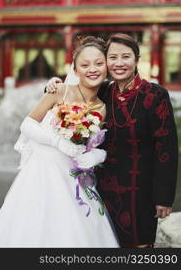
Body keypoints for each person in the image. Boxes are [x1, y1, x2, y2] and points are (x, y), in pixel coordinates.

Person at [0, 36, 119, 248]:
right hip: (42, 169)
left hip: (72, 174)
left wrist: (93, 154)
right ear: (75, 68)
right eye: (85, 64)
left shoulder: (101, 106)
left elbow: (92, 143)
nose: (93, 69)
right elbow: (27, 124)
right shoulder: (59, 91)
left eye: (99, 63)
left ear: (107, 67)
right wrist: (57, 141)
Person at [45, 33, 179, 248]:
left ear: (136, 59)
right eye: (112, 57)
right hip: (104, 187)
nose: (118, 63)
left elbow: (167, 149)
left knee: (140, 245)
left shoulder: (155, 95)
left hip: (140, 190)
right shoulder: (104, 91)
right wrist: (52, 84)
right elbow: (72, 93)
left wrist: (164, 197)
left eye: (125, 57)